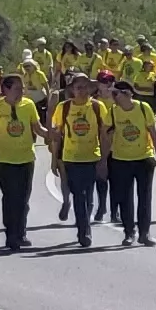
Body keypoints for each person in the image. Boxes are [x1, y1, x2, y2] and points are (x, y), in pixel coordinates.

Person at [0, 68, 45, 252]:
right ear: (6, 90)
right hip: (5, 160)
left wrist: (52, 134)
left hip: (26, 158)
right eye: (17, 88)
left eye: (22, 88)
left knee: (23, 198)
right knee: (9, 198)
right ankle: (11, 235)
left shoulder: (29, 105)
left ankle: (21, 233)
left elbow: (37, 128)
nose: (21, 92)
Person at [52, 73, 111, 250]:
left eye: (85, 86)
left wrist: (104, 159)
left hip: (92, 156)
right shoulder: (63, 108)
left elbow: (105, 134)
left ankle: (86, 223)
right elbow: (57, 135)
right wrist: (54, 160)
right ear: (71, 90)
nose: (82, 90)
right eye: (78, 87)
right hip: (71, 157)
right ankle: (83, 231)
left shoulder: (97, 107)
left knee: (88, 194)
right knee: (79, 195)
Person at [104, 76, 156, 245]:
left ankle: (145, 232)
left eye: (116, 94)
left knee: (144, 196)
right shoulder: (113, 112)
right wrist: (103, 160)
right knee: (125, 197)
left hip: (144, 157)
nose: (113, 97)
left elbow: (153, 133)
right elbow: (106, 134)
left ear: (127, 94)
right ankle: (129, 231)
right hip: (120, 159)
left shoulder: (143, 108)